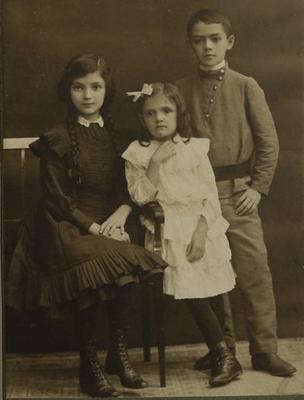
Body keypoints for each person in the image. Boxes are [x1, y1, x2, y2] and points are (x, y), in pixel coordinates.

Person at [5, 53, 167, 398]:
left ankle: (117, 356)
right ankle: (88, 362)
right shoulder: (56, 138)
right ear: (68, 91)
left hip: (109, 222)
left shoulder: (117, 137)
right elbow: (56, 199)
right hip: (62, 226)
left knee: (124, 267)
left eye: (96, 86)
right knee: (94, 264)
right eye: (79, 87)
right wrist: (94, 228)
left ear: (107, 90)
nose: (88, 95)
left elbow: (125, 188)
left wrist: (121, 216)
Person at [175, 8, 296, 377]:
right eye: (199, 40)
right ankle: (222, 350)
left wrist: (257, 188)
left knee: (254, 272)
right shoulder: (180, 89)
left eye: (214, 39)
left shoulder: (247, 85)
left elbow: (269, 143)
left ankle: (264, 351)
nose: (207, 47)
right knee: (211, 273)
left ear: (229, 42)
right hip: (199, 197)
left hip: (239, 193)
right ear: (191, 45)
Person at [122, 82, 242, 387]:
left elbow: (210, 196)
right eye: (151, 113)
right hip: (168, 230)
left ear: (178, 113)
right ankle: (222, 353)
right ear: (142, 118)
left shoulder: (194, 147)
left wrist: (202, 230)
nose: (159, 118)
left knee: (212, 286)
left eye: (166, 110)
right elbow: (139, 198)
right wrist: (156, 163)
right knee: (193, 288)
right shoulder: (138, 152)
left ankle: (224, 352)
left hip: (201, 225)